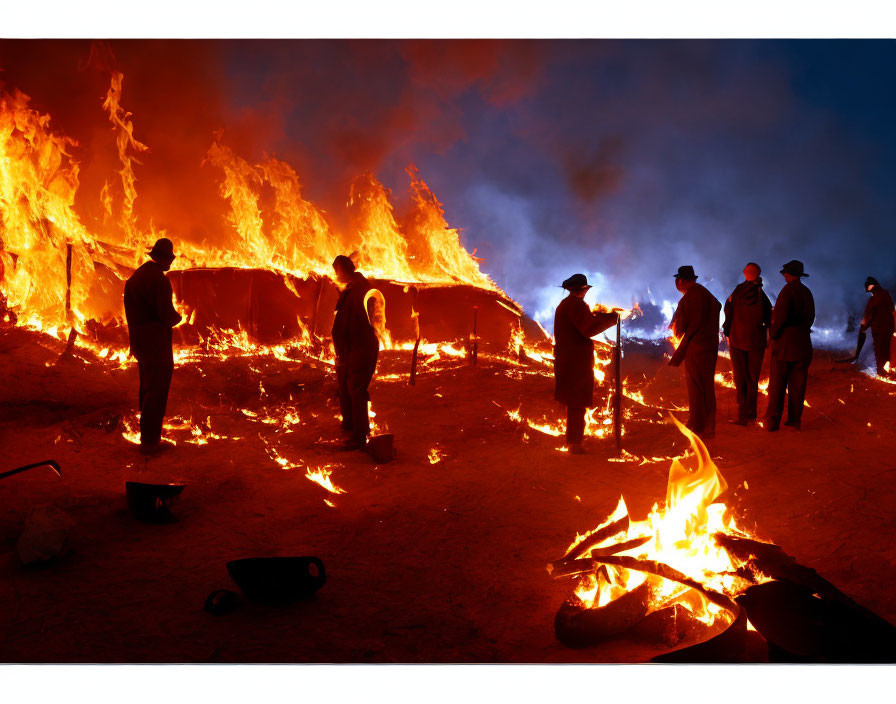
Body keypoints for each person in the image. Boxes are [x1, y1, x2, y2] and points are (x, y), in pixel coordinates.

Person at [123, 238, 182, 454]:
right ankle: (150, 443)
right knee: (157, 390)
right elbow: (166, 313)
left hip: (140, 342)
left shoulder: (137, 276)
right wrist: (179, 318)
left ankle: (146, 436)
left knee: (147, 389)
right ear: (165, 259)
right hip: (155, 343)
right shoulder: (158, 279)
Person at [553, 274, 619, 454]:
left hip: (569, 359)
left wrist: (598, 316)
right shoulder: (576, 305)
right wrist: (611, 319)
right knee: (577, 402)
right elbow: (588, 328)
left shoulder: (567, 304)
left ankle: (573, 440)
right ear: (583, 290)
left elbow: (584, 322)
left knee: (575, 401)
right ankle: (574, 443)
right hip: (575, 361)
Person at [331, 255, 380, 451]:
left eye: (337, 272)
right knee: (346, 387)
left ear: (343, 270)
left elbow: (358, 323)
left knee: (356, 389)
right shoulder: (355, 288)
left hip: (360, 347)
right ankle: (350, 426)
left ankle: (360, 436)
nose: (336, 276)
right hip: (353, 348)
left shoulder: (360, 290)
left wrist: (347, 350)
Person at [669, 266, 722, 439]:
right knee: (706, 386)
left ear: (681, 281)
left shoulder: (690, 297)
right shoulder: (705, 293)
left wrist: (677, 327)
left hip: (696, 347)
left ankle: (698, 425)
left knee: (696, 387)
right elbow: (718, 305)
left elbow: (683, 325)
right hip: (709, 346)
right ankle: (708, 425)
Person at [765, 260, 815, 432]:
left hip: (785, 347)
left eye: (785, 272)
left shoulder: (787, 292)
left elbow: (779, 319)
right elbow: (810, 318)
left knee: (778, 386)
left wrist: (773, 335)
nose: (784, 275)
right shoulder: (807, 292)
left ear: (788, 274)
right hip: (803, 345)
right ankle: (794, 421)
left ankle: (772, 423)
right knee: (798, 387)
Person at [723, 262, 772, 425]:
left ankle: (742, 414)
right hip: (756, 343)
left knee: (740, 379)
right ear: (758, 275)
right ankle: (750, 414)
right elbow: (768, 317)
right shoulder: (761, 295)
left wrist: (728, 330)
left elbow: (727, 309)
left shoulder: (737, 291)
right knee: (752, 379)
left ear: (745, 273)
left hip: (737, 341)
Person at [860, 277, 895, 376]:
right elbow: (891, 310)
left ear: (871, 286)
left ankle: (881, 371)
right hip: (886, 328)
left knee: (880, 350)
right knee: (884, 349)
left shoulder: (875, 297)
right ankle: (883, 369)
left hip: (880, 328)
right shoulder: (885, 294)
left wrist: (865, 324)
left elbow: (871, 313)